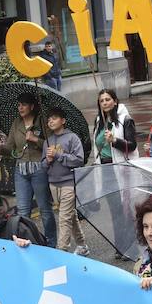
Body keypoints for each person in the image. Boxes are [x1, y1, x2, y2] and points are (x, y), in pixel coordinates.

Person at [5, 91, 56, 243]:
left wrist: (35, 139)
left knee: (45, 209)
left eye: (24, 105)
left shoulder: (41, 122)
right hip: (21, 169)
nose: (20, 108)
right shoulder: (16, 123)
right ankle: (27, 241)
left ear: (32, 106)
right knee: (22, 211)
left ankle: (51, 242)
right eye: (19, 105)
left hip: (39, 168)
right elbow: (9, 147)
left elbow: (51, 145)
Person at [44, 107, 89, 256]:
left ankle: (62, 251)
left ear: (63, 121)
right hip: (53, 183)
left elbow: (79, 160)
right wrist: (48, 161)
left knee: (64, 217)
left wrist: (58, 155)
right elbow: (43, 164)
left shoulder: (72, 138)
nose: (51, 121)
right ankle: (82, 245)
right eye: (49, 119)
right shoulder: (48, 140)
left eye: (54, 118)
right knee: (70, 215)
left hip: (69, 182)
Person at [91, 88, 137, 164]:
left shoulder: (125, 120)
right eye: (101, 101)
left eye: (107, 100)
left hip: (121, 166)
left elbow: (132, 146)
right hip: (102, 167)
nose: (104, 103)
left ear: (115, 102)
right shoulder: (98, 121)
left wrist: (114, 140)